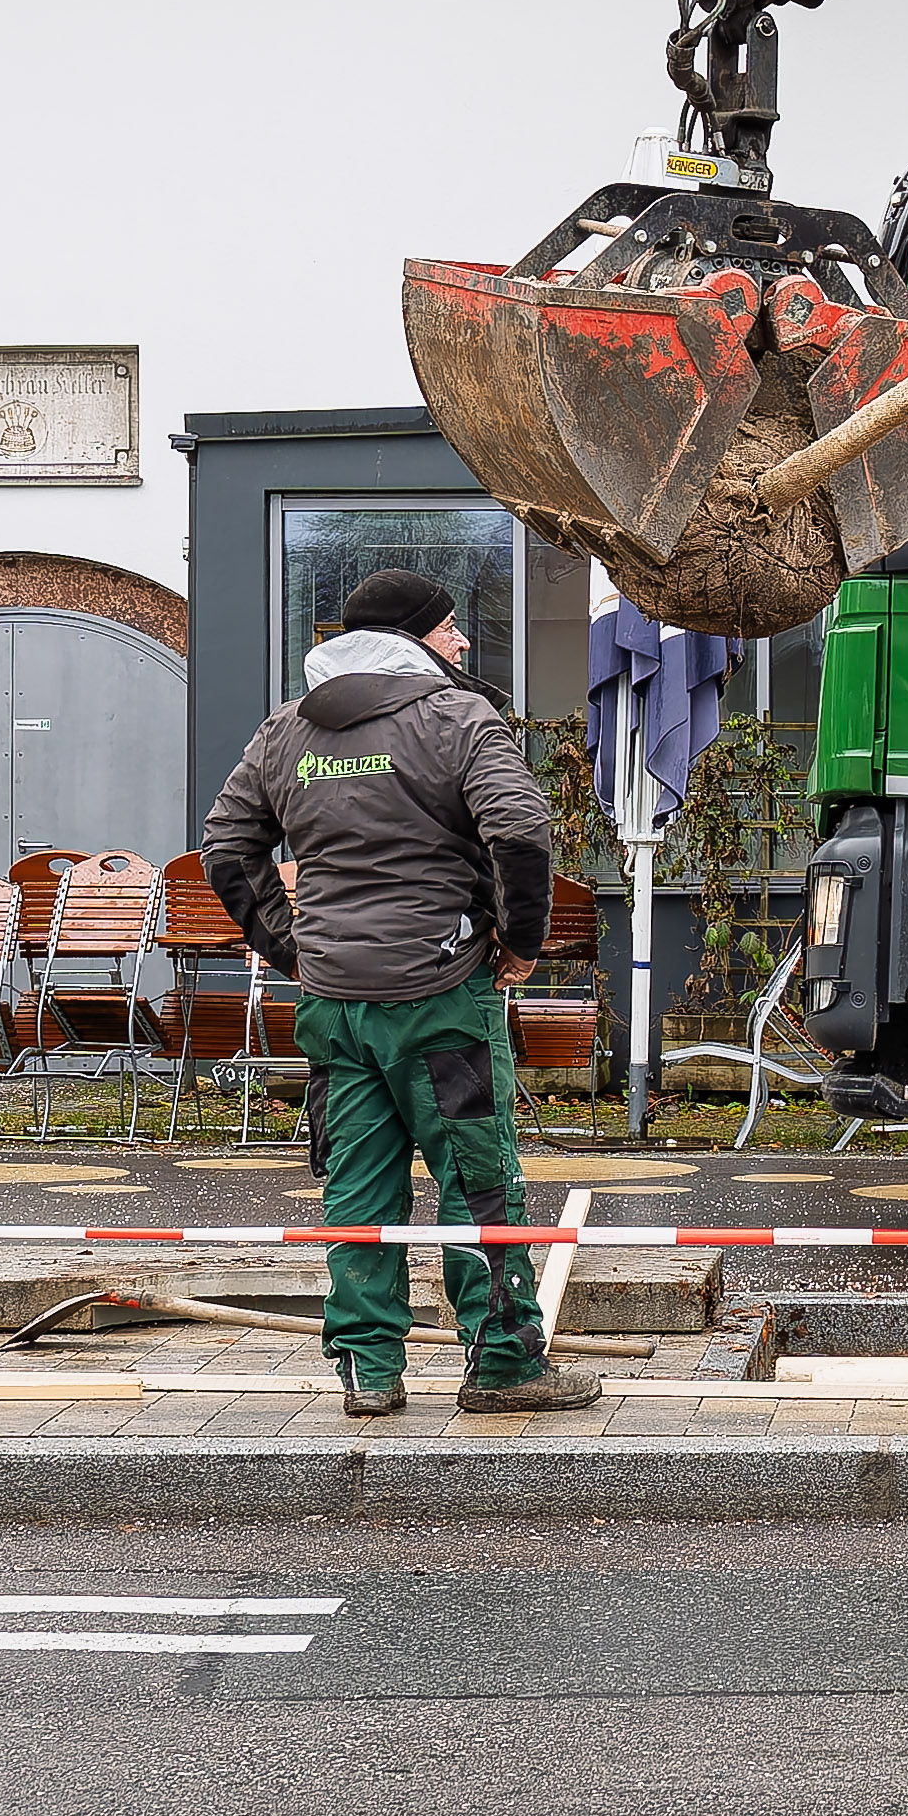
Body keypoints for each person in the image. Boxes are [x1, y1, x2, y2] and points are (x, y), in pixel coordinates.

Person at [197, 568, 597, 1418]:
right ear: (416, 637)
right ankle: (502, 1366)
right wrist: (520, 942)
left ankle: (368, 1373)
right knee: (478, 1181)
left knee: (358, 1184)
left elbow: (226, 848)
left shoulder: (285, 731)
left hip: (335, 1005)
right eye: (449, 629)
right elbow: (521, 830)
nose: (459, 643)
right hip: (442, 996)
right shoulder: (459, 719)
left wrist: (291, 946)